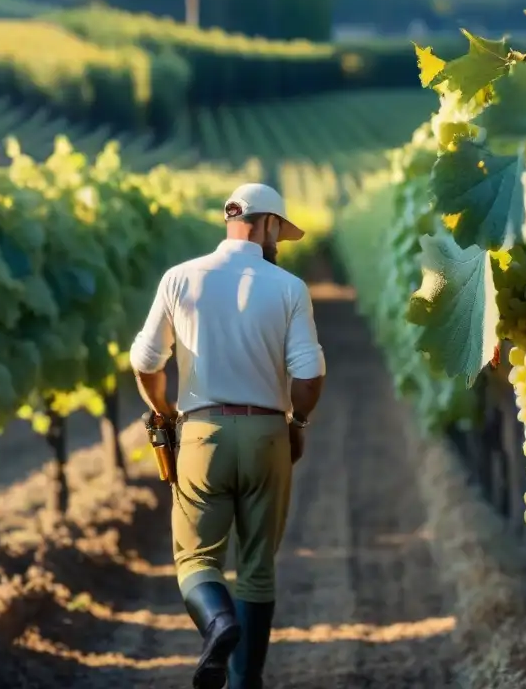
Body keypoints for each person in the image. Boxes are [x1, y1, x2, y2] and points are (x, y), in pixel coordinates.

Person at [129, 183, 326, 689]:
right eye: (279, 231)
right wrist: (297, 425)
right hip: (266, 436)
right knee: (257, 567)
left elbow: (146, 361)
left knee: (196, 559)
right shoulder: (287, 288)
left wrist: (164, 411)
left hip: (202, 434)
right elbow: (307, 379)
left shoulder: (180, 279)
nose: (279, 242)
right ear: (265, 226)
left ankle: (218, 624)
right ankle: (246, 682)